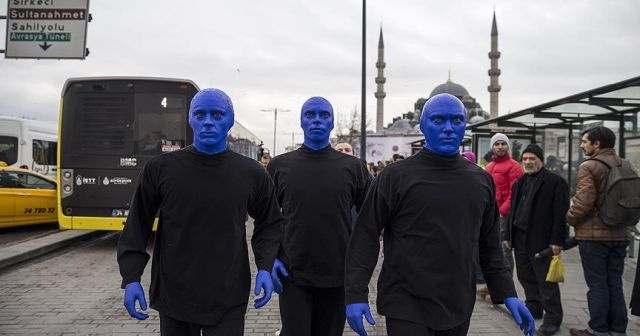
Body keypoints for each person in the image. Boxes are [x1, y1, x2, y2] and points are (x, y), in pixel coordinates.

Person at [344, 93, 535, 336]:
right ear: (423, 125)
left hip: (457, 302)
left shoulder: (480, 181)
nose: (448, 128)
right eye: (438, 120)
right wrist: (356, 293)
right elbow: (365, 233)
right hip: (405, 301)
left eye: (456, 120)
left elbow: (489, 245)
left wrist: (507, 293)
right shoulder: (395, 177)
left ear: (464, 125)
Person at [117, 88, 283, 335]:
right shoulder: (160, 169)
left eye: (217, 115)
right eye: (200, 114)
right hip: (174, 293)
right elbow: (137, 223)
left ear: (230, 120)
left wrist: (265, 266)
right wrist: (131, 277)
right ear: (190, 119)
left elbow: (270, 223)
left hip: (228, 294)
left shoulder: (252, 173)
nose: (208, 122)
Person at [268, 96, 371, 336]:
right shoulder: (280, 166)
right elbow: (267, 219)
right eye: (310, 115)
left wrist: (359, 272)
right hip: (292, 272)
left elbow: (369, 221)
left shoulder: (353, 167)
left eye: (324, 115)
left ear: (332, 122)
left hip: (337, 274)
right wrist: (269, 258)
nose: (317, 121)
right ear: (301, 121)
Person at [566, 126, 631, 336]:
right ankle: (618, 328)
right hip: (620, 233)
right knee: (615, 282)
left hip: (594, 237)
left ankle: (598, 329)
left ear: (597, 144)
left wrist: (569, 218)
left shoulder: (590, 166)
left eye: (585, 141)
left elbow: (583, 202)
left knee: (597, 284)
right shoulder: (625, 164)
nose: (583, 145)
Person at [504, 144, 569, 336]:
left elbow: (560, 214)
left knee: (546, 282)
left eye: (532, 159)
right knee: (525, 276)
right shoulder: (520, 182)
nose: (528, 162)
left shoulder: (555, 182)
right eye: (525, 159)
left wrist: (557, 241)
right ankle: (534, 307)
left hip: (541, 240)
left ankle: (553, 320)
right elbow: (512, 212)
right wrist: (508, 235)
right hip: (520, 238)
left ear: (540, 160)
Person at [485, 132, 523, 275]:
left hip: (504, 215)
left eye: (503, 143)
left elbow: (514, 193)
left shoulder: (514, 167)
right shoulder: (489, 166)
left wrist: (502, 212)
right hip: (491, 213)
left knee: (504, 250)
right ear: (492, 147)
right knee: (490, 249)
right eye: (497, 144)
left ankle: (507, 285)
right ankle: (491, 285)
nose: (500, 147)